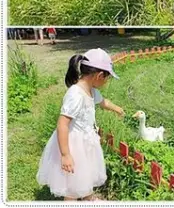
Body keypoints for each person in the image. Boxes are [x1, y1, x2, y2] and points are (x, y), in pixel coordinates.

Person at [36, 49, 124, 200]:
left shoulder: (91, 90)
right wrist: (65, 154)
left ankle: (88, 198)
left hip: (86, 142)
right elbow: (62, 124)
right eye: (107, 78)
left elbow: (103, 102)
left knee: (85, 173)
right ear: (99, 75)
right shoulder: (75, 94)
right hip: (73, 145)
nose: (106, 81)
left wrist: (118, 109)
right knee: (72, 184)